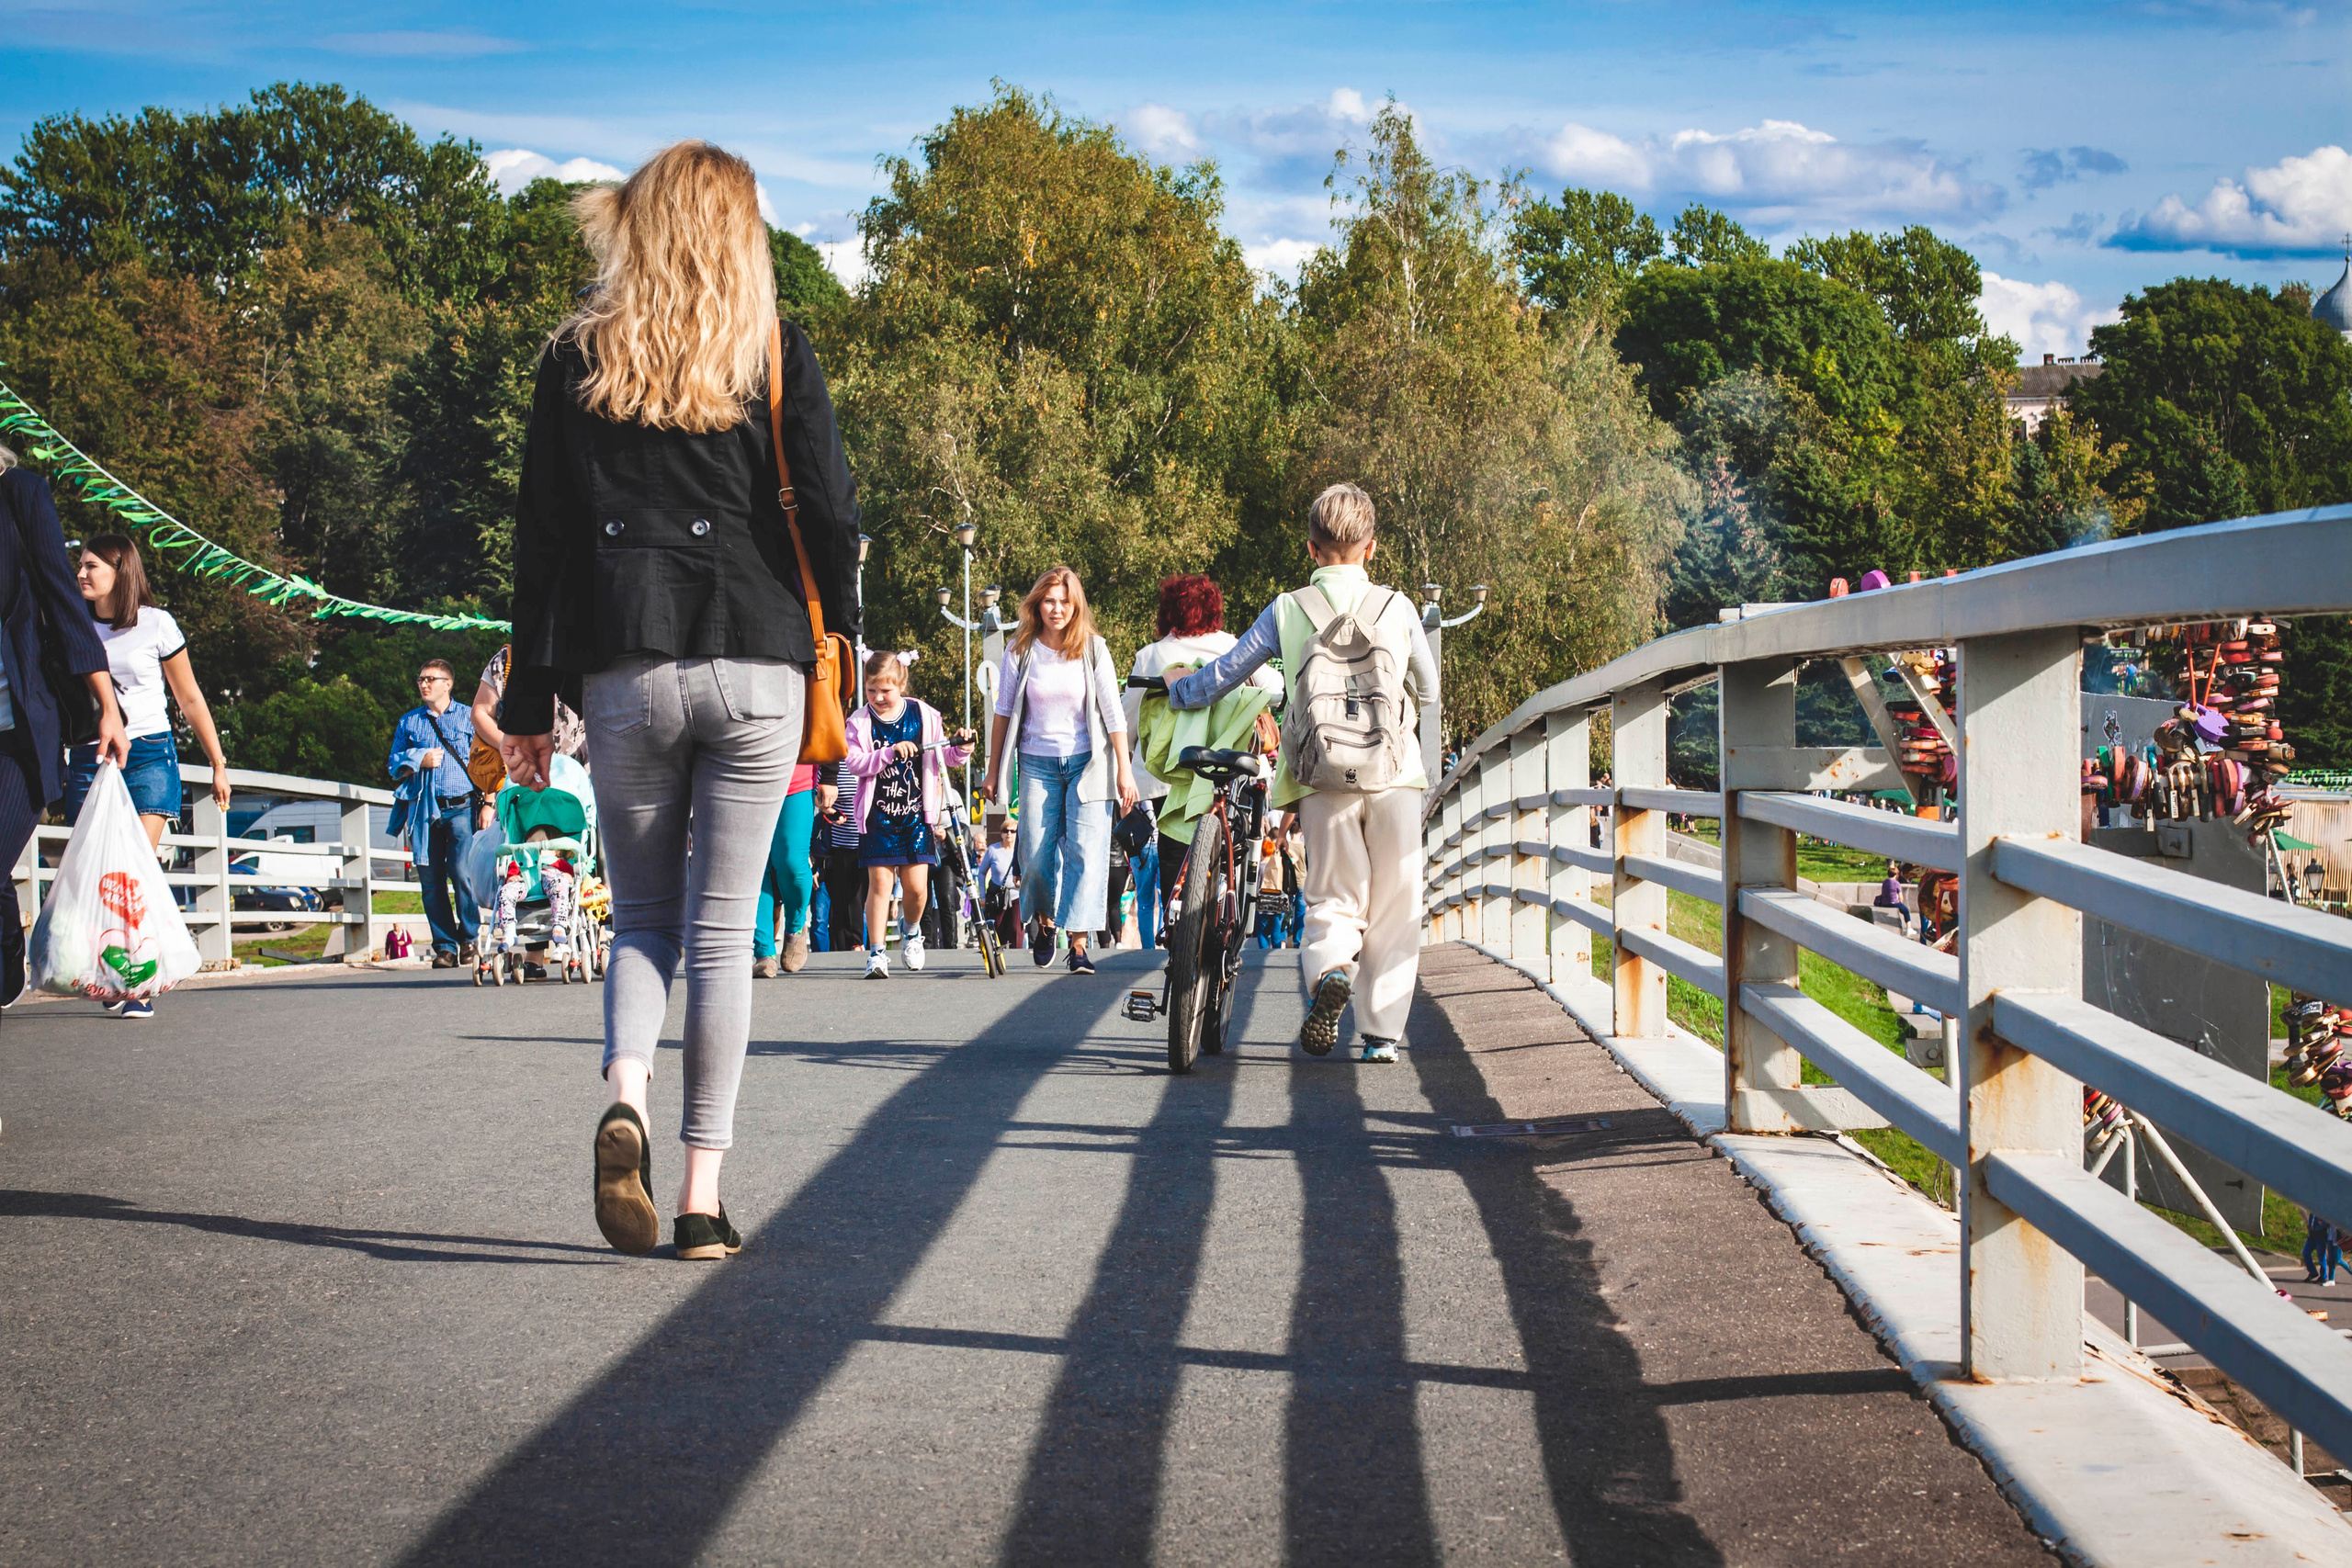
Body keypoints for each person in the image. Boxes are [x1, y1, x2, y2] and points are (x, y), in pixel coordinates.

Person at [503, 141, 862, 1261]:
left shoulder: (576, 362)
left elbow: (542, 541)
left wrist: (527, 700)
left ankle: (629, 1100)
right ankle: (702, 1199)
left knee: (644, 920)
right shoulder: (774, 351)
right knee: (720, 934)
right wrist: (840, 643)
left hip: (623, 665)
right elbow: (835, 520)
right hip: (757, 658)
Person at [1169, 482, 1437, 1064]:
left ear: (1311, 549)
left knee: (1334, 895)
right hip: (1395, 776)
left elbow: (1226, 675)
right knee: (1396, 901)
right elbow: (1431, 689)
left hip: (1320, 775)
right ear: (1372, 549)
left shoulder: (1289, 608)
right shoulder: (1399, 607)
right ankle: (1381, 1036)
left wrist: (1178, 690)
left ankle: (1330, 971)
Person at [60, 536, 231, 1021]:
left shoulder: (157, 624)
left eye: (92, 566)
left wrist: (217, 763)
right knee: (95, 873)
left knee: (134, 869)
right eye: (79, 566)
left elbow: (190, 697)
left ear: (121, 570)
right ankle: (104, 972)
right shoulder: (72, 624)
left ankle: (139, 983)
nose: (81, 574)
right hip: (90, 757)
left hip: (150, 754)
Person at [0, 444, 130, 1017]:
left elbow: (61, 594)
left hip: (16, 722)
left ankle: (7, 963)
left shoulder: (20, 492)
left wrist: (108, 706)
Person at [985, 567, 1138, 975]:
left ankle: (1080, 944)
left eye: (1065, 601)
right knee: (1034, 855)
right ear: (1037, 603)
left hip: (1088, 764)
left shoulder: (1093, 649)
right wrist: (992, 769)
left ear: (1076, 605)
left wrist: (1125, 770)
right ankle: (1046, 922)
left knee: (1085, 853)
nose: (1057, 609)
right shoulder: (1020, 649)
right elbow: (1002, 714)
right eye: (1050, 601)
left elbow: (1113, 714)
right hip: (1036, 763)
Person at [1125, 574, 1283, 942]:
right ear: (1215, 610)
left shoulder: (1151, 656)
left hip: (1169, 775)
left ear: (1167, 613)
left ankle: (1177, 926)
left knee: (1172, 856)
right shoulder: (1234, 646)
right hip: (1228, 770)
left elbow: (1128, 720)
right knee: (1233, 845)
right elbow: (1275, 690)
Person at [843, 650, 973, 979]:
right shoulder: (860, 721)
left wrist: (962, 747)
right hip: (878, 816)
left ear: (901, 684)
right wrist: (886, 753)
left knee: (916, 889)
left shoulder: (923, 715)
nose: (877, 697)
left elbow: (945, 755)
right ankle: (876, 953)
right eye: (871, 690)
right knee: (880, 884)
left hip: (916, 815)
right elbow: (854, 762)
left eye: (885, 691)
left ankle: (912, 931)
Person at [388, 659, 483, 969]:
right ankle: (445, 947)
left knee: (461, 872)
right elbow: (393, 765)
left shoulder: (470, 717)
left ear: (448, 684)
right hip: (423, 811)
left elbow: (487, 761)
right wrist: (418, 760)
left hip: (462, 806)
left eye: (431, 679)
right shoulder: (409, 722)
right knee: (430, 882)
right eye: (421, 679)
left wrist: (491, 803)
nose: (424, 684)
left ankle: (469, 938)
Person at [470, 643, 587, 829]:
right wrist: (512, 747)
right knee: (522, 847)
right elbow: (480, 711)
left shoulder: (589, 650)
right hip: (522, 785)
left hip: (581, 784)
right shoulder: (509, 658)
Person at [752, 762, 837, 977]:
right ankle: (764, 953)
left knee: (792, 861)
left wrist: (829, 775)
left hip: (796, 773)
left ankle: (795, 926)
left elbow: (827, 727)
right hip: (744, 774)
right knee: (754, 865)